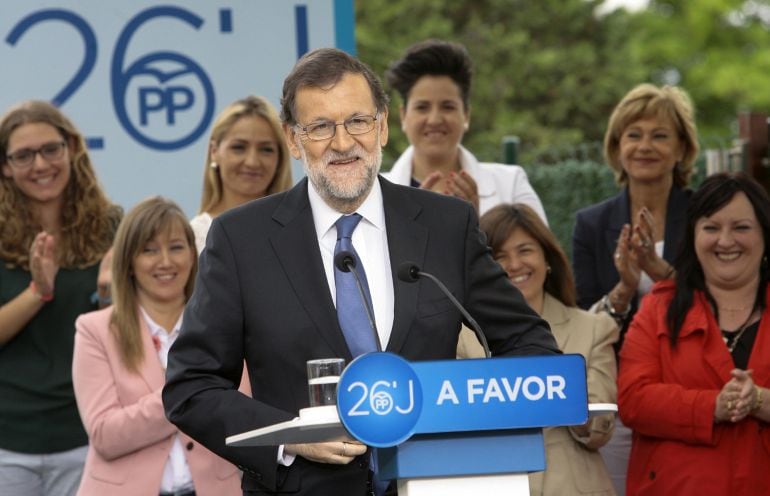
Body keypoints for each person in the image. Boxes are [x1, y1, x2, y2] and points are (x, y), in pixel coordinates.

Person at [163, 48, 560, 496]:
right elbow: (190, 387)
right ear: (293, 140)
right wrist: (288, 434)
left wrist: (457, 415)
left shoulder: (447, 226)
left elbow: (532, 349)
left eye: (358, 121)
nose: (343, 142)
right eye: (320, 127)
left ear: (384, 126)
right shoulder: (241, 239)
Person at [571, 83, 699, 494]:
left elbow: (719, 301)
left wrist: (660, 272)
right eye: (634, 135)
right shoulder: (591, 224)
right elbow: (583, 322)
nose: (645, 146)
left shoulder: (704, 214)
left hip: (691, 387)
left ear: (681, 149)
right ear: (617, 147)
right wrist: (625, 289)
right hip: (621, 393)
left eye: (660, 135)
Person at [72, 197, 242, 496]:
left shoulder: (224, 326)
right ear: (129, 262)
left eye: (176, 247)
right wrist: (183, 386)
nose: (165, 261)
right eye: (149, 250)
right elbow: (105, 435)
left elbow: (240, 418)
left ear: (193, 255)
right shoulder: (94, 330)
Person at [618, 172, 770, 495]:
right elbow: (633, 399)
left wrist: (759, 400)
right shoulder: (658, 309)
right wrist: (711, 406)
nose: (725, 241)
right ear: (693, 236)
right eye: (711, 228)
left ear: (764, 235)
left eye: (741, 228)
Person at [0, 100, 121, 495]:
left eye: (50, 149)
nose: (40, 164)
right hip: (8, 444)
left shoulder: (112, 227)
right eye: (23, 155)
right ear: (5, 166)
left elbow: (137, 332)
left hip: (87, 436)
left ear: (71, 148)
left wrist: (107, 296)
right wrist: (39, 291)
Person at [457, 204, 617, 496]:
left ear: (548, 259)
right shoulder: (460, 338)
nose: (515, 264)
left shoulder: (595, 328)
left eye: (525, 250)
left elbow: (599, 430)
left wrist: (568, 399)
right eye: (499, 256)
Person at [382, 39, 547, 221]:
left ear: (466, 115)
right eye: (422, 107)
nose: (435, 119)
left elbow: (541, 249)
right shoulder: (375, 196)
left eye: (448, 106)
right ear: (403, 115)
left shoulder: (511, 185)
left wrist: (475, 228)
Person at [191, 95, 293, 253]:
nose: (252, 162)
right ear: (214, 151)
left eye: (266, 149)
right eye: (239, 147)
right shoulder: (192, 239)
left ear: (280, 159)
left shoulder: (301, 232)